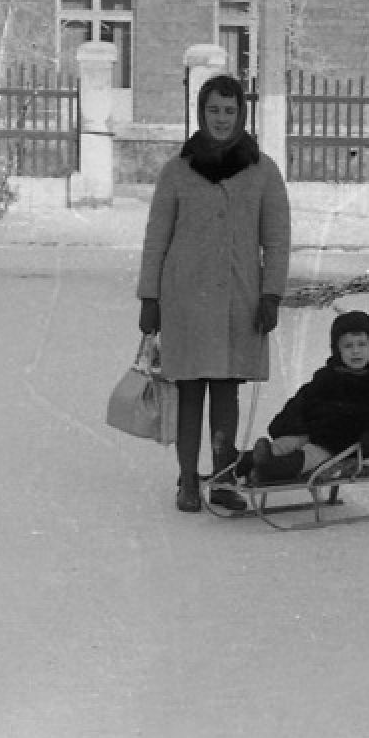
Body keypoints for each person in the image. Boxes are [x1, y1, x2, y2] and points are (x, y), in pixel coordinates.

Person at [138, 75, 290, 512]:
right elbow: (156, 238)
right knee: (188, 390)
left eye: (229, 111)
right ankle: (188, 479)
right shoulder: (177, 171)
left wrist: (271, 295)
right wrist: (150, 298)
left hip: (237, 300)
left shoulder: (264, 172)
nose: (221, 119)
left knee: (226, 390)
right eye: (213, 110)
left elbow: (277, 240)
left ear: (242, 114)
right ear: (200, 113)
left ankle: (222, 479)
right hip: (184, 298)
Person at [241, 310, 369, 484]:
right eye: (348, 346)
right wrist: (285, 422)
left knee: (311, 455)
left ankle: (271, 470)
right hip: (318, 434)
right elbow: (304, 400)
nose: (355, 351)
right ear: (337, 350)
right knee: (285, 443)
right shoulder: (329, 375)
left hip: (350, 444)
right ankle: (238, 463)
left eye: (361, 344)